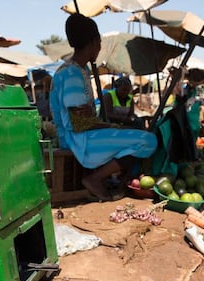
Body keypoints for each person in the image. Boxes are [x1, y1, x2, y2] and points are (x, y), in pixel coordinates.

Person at [49, 13, 157, 201]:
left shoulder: (78, 70)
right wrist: (112, 127)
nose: (99, 47)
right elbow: (80, 123)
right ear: (94, 42)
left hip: (78, 136)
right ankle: (95, 178)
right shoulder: (72, 74)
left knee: (134, 134)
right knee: (148, 141)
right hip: (77, 141)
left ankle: (117, 181)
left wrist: (111, 126)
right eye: (99, 42)